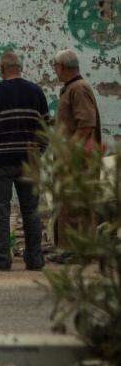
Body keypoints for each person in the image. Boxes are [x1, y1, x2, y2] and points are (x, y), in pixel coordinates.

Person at [0, 50, 49, 271]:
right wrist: (39, 153)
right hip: (29, 162)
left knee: (1, 210)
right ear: (20, 68)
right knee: (31, 211)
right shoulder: (36, 92)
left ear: (1, 69)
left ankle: (1, 259)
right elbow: (45, 127)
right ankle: (35, 259)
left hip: (0, 161)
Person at [51, 48, 104, 252]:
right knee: (67, 205)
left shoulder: (79, 89)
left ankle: (76, 251)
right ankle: (66, 249)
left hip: (78, 161)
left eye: (55, 66)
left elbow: (86, 125)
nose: (55, 70)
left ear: (62, 67)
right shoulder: (70, 88)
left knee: (76, 206)